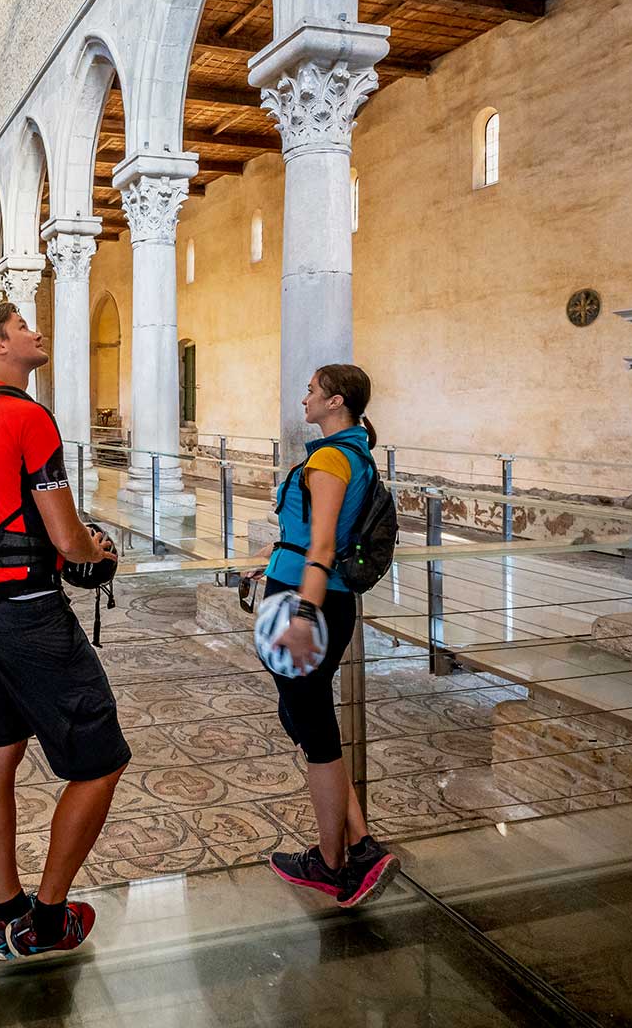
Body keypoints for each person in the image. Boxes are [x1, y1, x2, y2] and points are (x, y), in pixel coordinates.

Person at [0, 300, 129, 961]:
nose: (36, 331)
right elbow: (65, 535)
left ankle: (8, 912)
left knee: (0, 752)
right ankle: (46, 920)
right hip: (29, 611)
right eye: (23, 327)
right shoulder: (28, 417)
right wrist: (96, 550)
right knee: (102, 761)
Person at [261, 364, 400, 907]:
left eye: (312, 390)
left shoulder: (329, 459)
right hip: (322, 595)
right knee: (305, 717)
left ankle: (333, 861)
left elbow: (322, 546)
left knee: (313, 730)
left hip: (308, 600)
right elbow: (316, 537)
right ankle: (358, 845)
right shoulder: (355, 452)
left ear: (336, 401)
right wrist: (274, 558)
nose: (305, 399)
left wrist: (302, 614)